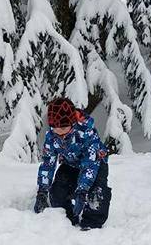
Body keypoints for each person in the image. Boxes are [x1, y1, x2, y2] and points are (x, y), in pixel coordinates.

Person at [33, 97, 111, 230]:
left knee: (96, 193)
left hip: (95, 164)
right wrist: (42, 191)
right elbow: (48, 164)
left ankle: (92, 224)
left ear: (72, 122)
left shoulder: (86, 132)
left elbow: (90, 164)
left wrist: (82, 190)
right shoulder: (52, 137)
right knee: (57, 192)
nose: (59, 131)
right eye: (55, 127)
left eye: (63, 127)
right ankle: (67, 219)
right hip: (71, 164)